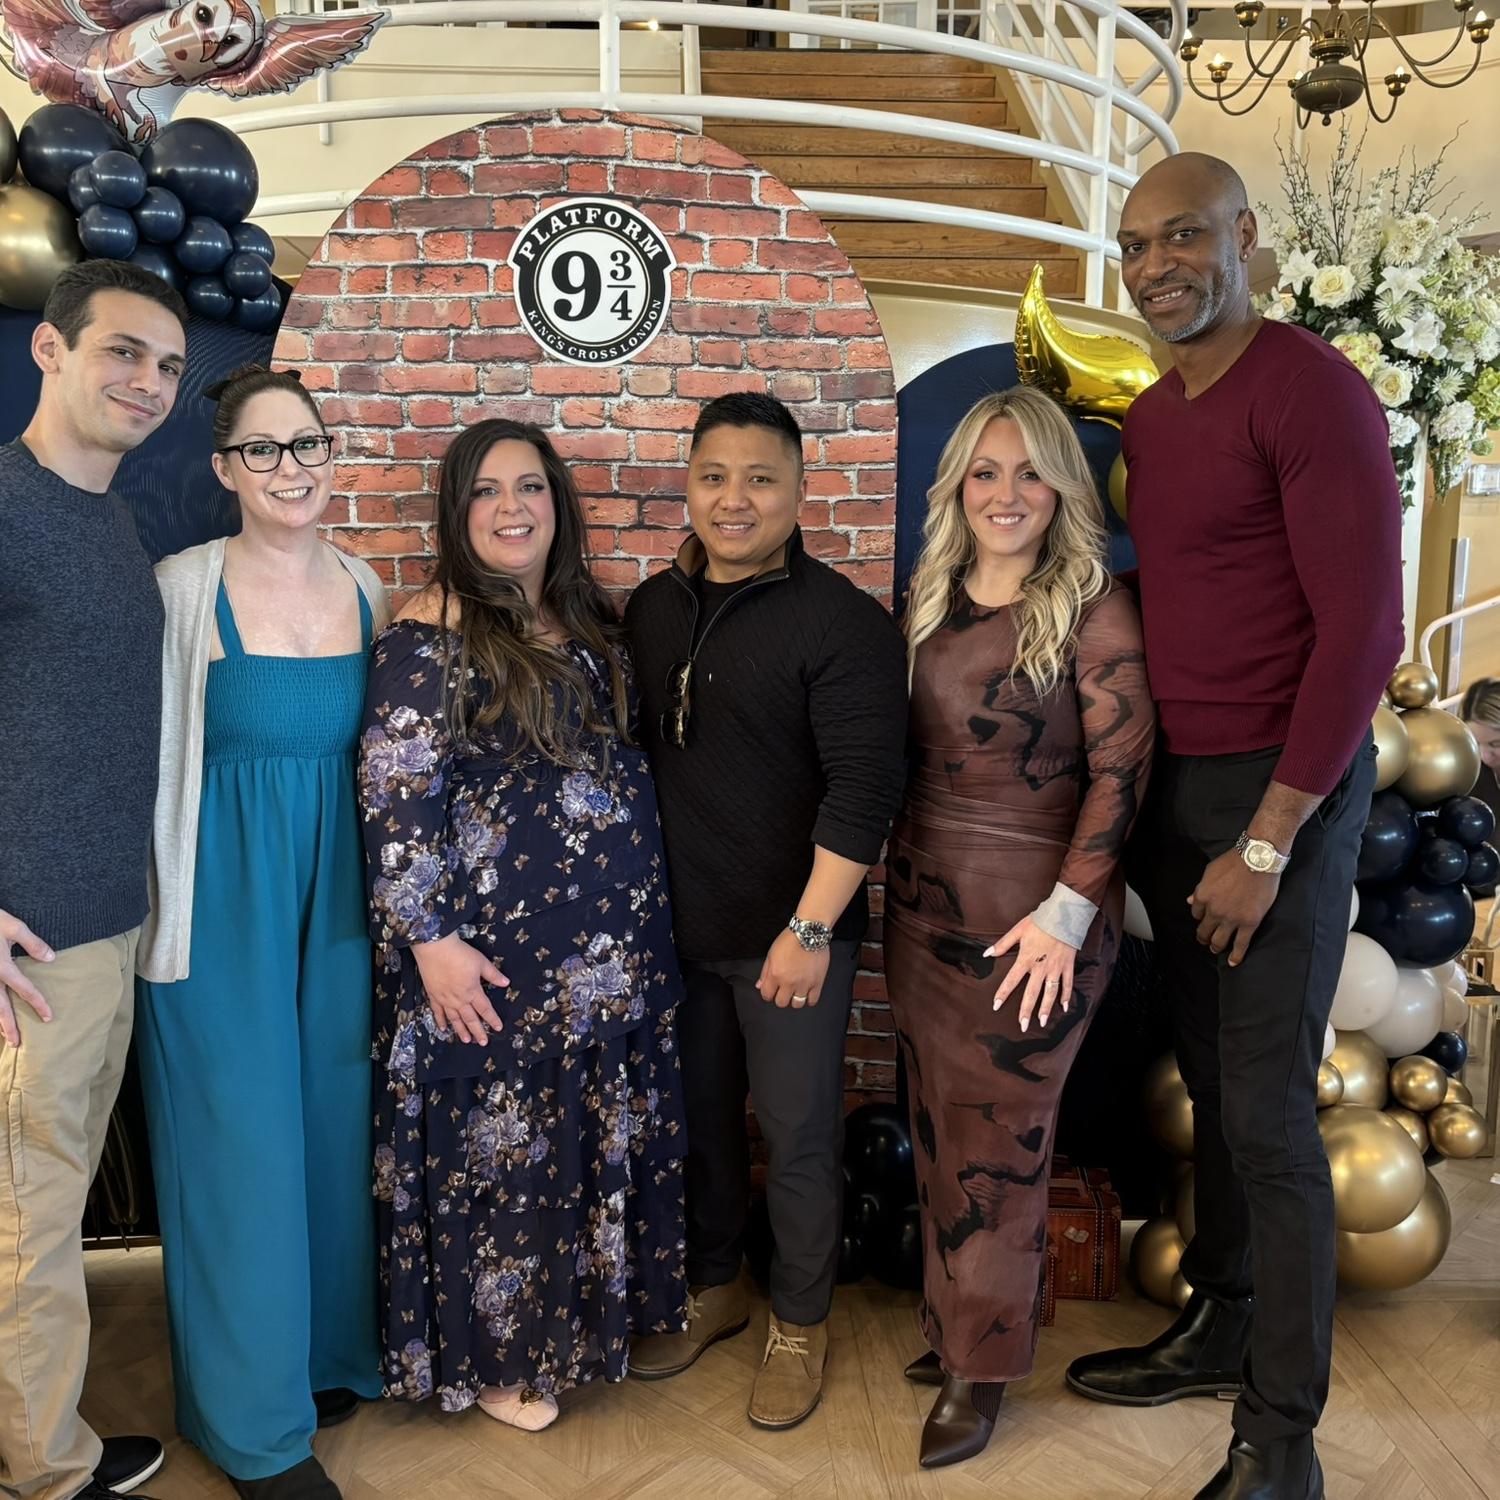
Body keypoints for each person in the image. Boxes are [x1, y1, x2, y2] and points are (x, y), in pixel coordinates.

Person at [1065, 153, 1404, 1500]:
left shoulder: (1311, 390)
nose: (1159, 265)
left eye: (1186, 235)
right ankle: (1222, 1320)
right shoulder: (1153, 419)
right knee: (1212, 1086)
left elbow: (1364, 634)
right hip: (1184, 786)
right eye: (1138, 244)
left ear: (1245, 237)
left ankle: (1281, 1443)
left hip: (1284, 794)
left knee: (1267, 1121)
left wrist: (1266, 843)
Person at [357, 418, 686, 1430]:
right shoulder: (430, 631)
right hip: (494, 960)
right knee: (501, 1160)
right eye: (487, 491)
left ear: (558, 503)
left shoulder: (586, 619)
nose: (512, 508)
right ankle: (498, 1368)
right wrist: (430, 942)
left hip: (607, 959)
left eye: (531, 487)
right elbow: (394, 792)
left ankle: (575, 1332)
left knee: (576, 1151)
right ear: (457, 512)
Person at [624, 393, 908, 1430]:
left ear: (800, 490)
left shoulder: (843, 624)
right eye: (714, 476)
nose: (733, 499)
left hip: (793, 940)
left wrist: (811, 930)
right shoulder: (651, 609)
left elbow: (865, 792)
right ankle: (718, 1287)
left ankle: (799, 1320)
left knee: (795, 1143)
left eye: (759, 478)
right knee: (702, 1128)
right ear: (688, 485)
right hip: (679, 939)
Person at [885, 386, 1154, 1469]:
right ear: (958, 484)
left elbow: (1123, 774)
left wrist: (1066, 917)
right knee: (941, 1130)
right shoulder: (930, 595)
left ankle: (981, 1371)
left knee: (1003, 1142)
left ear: (1062, 488)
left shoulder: (1091, 603)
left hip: (1037, 922)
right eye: (986, 472)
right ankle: (958, 1327)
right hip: (923, 907)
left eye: (1031, 472)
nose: (1006, 493)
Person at [132, 366, 388, 1499]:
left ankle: (319, 1360)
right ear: (225, 468)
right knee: (237, 1151)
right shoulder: (179, 589)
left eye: (308, 444)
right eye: (265, 449)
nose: (292, 468)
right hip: (217, 907)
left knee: (333, 1135)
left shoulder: (370, 588)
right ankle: (252, 1430)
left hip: (342, 905)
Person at [0, 260, 187, 1500]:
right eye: (124, 351)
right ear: (50, 350)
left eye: (168, 365)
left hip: (109, 926)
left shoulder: (111, 521)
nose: (150, 383)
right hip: (33, 949)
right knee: (28, 1223)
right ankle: (48, 1476)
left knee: (44, 1211)